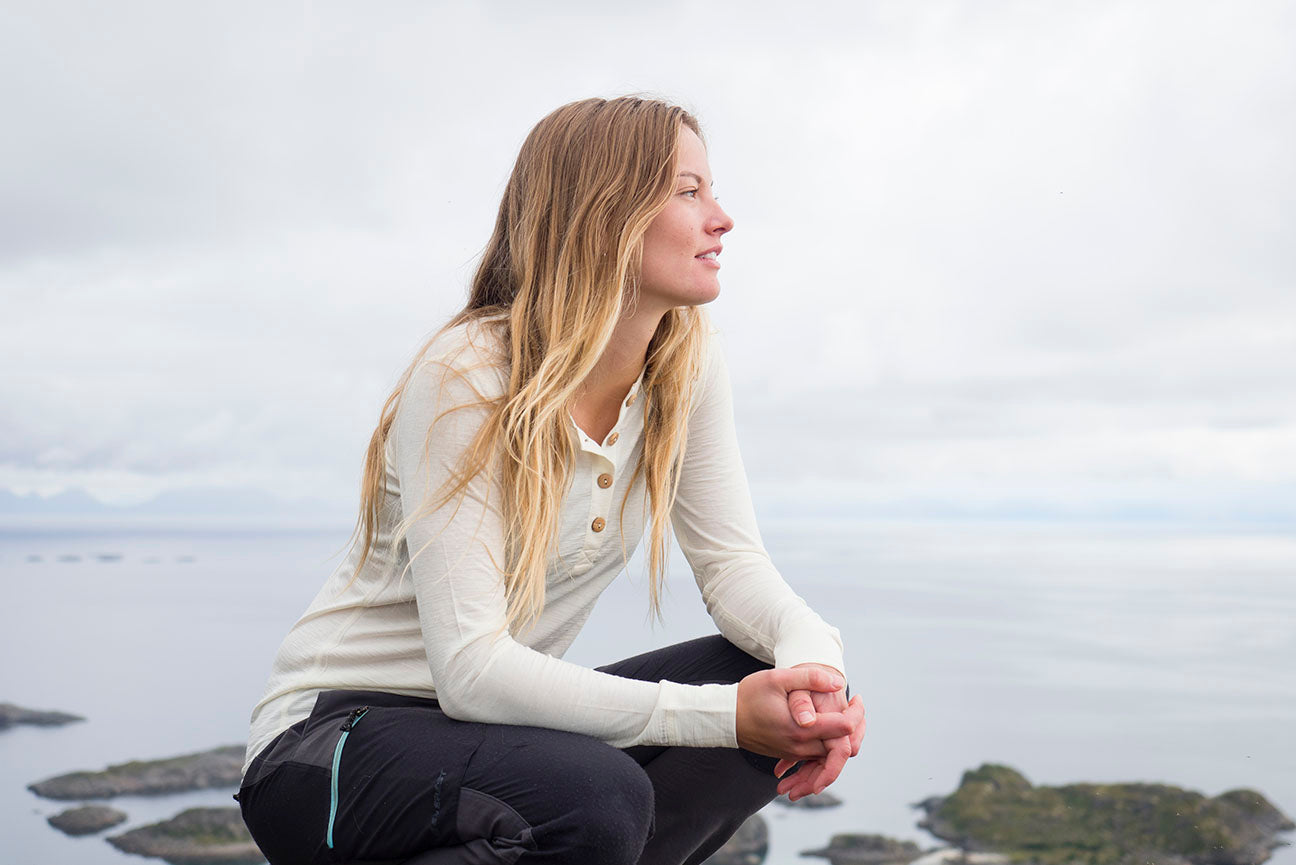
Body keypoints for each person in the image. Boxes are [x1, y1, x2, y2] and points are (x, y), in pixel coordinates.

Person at [237, 95, 865, 865]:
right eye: (688, 191)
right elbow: (471, 672)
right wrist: (725, 717)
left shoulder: (686, 363)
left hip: (479, 742)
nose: (722, 217)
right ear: (604, 213)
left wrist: (818, 681)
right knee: (598, 796)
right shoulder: (470, 372)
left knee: (766, 675)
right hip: (326, 749)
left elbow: (735, 568)